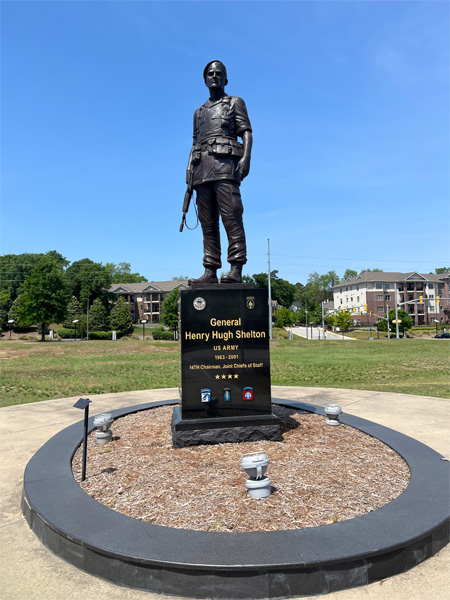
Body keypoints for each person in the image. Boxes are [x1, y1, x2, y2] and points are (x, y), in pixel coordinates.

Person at [187, 60, 253, 285]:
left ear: (226, 79)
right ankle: (210, 270)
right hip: (202, 171)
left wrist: (246, 158)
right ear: (205, 80)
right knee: (207, 224)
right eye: (210, 74)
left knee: (232, 217)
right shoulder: (198, 113)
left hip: (226, 168)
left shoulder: (235, 102)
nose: (214, 76)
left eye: (219, 73)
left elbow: (246, 132)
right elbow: (195, 144)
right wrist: (190, 175)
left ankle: (236, 268)